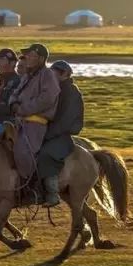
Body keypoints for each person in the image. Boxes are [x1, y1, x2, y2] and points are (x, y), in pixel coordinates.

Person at [7, 44, 60, 199]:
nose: (28, 58)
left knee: (23, 152)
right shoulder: (28, 76)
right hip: (20, 121)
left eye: (32, 56)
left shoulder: (47, 75)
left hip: (36, 123)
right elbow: (15, 94)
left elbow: (47, 99)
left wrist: (22, 108)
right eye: (27, 55)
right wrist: (13, 103)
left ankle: (34, 188)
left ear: (42, 59)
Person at [37, 60, 84, 207]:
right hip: (50, 132)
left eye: (54, 73)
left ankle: (52, 194)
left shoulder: (71, 92)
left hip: (61, 135)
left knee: (45, 154)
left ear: (64, 74)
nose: (51, 76)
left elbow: (65, 121)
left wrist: (46, 135)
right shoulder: (56, 90)